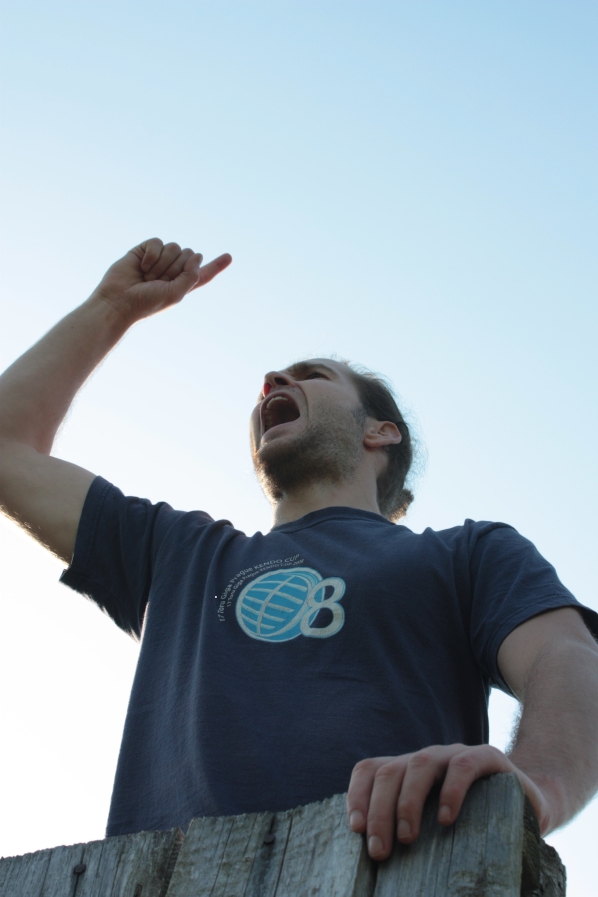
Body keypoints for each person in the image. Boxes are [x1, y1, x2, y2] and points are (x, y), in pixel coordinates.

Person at [1, 239, 597, 862]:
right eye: (270, 382)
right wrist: (111, 306)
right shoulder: (177, 553)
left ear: (380, 432)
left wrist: (539, 786)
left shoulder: (469, 554)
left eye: (313, 375)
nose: (273, 381)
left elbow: (566, 655)